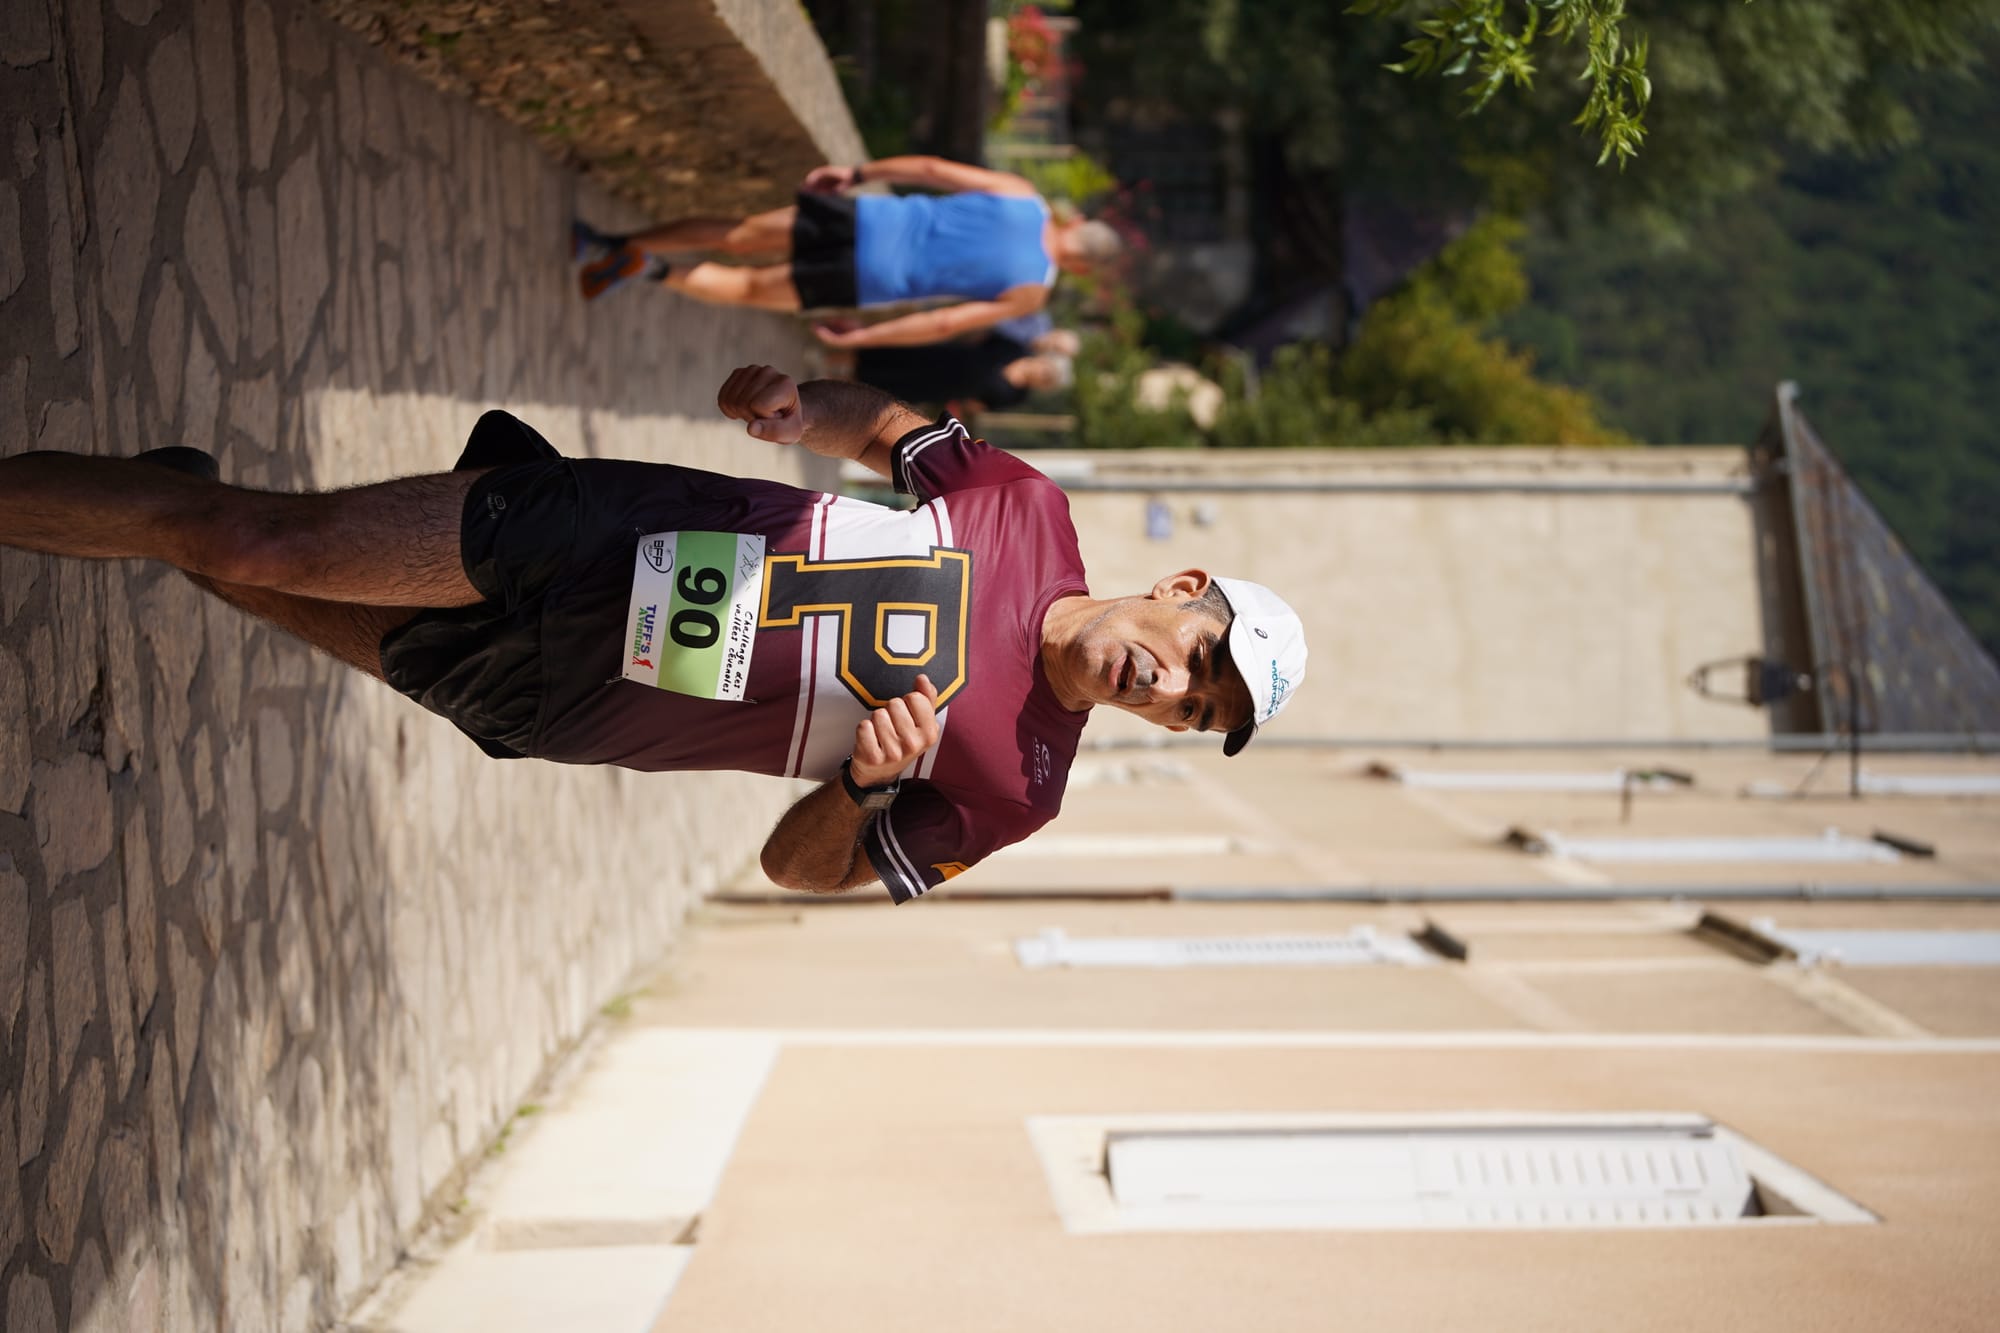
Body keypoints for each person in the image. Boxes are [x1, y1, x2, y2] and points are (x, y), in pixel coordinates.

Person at [0, 367, 1306, 902]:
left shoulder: (1016, 794)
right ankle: (168, 505)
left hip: (567, 703)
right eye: (1204, 655)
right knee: (252, 545)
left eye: (1199, 711)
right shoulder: (1023, 504)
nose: (1174, 687)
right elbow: (879, 426)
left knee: (236, 567)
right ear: (1182, 585)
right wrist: (804, 403)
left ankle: (158, 497)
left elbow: (801, 872)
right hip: (602, 536)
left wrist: (863, 785)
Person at [573, 155, 1121, 351]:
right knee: (745, 287)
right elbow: (944, 322)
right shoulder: (1031, 293)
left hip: (868, 218)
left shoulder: (1023, 195)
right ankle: (651, 270)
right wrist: (864, 337)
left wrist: (859, 174)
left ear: (1076, 223)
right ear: (1078, 264)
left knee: (737, 232)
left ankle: (614, 243)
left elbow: (930, 169)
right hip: (871, 278)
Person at [835, 321, 1074, 412]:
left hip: (942, 386)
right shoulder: (1017, 349)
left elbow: (979, 405)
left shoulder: (1018, 395)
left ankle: (832, 383)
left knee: (887, 385)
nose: (1041, 376)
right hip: (947, 356)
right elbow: (984, 336)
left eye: (1046, 380)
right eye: (1046, 371)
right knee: (890, 356)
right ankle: (832, 358)